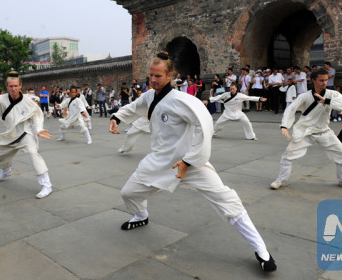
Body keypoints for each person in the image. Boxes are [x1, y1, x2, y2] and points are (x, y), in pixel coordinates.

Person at [109, 52, 277, 272]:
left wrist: (190, 160)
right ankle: (141, 215)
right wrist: (116, 117)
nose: (153, 79)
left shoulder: (183, 100)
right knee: (128, 193)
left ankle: (261, 250)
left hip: (189, 162)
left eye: (158, 75)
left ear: (170, 75)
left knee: (227, 200)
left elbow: (205, 124)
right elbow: (134, 108)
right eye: (151, 75)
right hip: (159, 161)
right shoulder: (149, 96)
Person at [0, 71, 54, 199]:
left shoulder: (28, 101)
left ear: (20, 85)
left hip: (26, 134)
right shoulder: (0, 99)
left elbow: (36, 115)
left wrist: (38, 129)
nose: (13, 88)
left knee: (33, 153)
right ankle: (6, 171)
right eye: (11, 86)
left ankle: (47, 185)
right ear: (7, 87)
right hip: (10, 135)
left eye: (16, 86)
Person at [271, 68, 342, 190]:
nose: (324, 83)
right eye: (321, 80)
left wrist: (326, 101)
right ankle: (280, 180)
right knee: (288, 154)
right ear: (313, 80)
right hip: (306, 131)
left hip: (324, 131)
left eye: (326, 80)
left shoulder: (332, 94)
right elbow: (291, 108)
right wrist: (284, 125)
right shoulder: (304, 96)